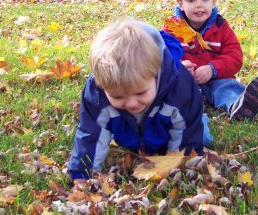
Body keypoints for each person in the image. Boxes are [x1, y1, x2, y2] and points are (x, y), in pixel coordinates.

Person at [68, 18, 206, 182]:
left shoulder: (179, 90)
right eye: (118, 96)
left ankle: (204, 123)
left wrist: (177, 168)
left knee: (202, 134)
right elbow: (90, 133)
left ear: (156, 75)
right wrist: (83, 174)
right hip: (130, 133)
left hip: (166, 129)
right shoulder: (98, 94)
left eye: (141, 93)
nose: (132, 103)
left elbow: (187, 133)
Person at [163, 0, 258, 122]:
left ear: (214, 1)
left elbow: (235, 56)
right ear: (180, 3)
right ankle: (184, 113)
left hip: (216, 79)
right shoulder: (172, 29)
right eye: (191, 0)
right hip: (185, 81)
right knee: (176, 92)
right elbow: (161, 57)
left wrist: (213, 69)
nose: (199, 5)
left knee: (227, 87)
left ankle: (238, 106)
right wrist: (178, 67)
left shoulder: (221, 27)